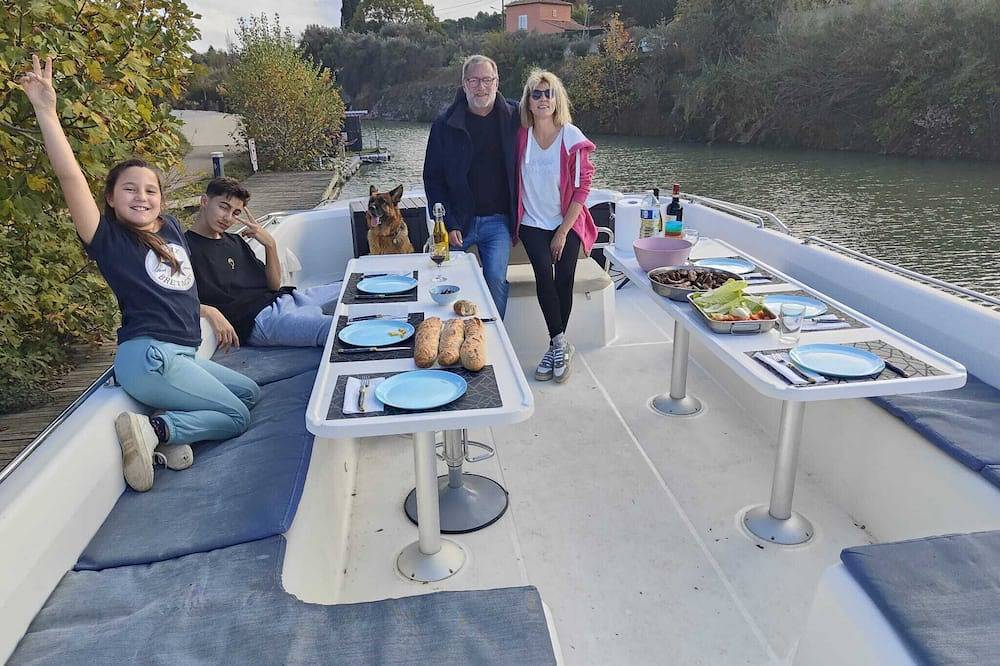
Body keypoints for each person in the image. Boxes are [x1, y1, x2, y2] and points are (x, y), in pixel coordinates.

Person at [19, 55, 260, 492]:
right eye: (129, 189)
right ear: (110, 199)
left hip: (182, 355)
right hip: (150, 357)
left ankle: (170, 434)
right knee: (236, 417)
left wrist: (207, 309)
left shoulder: (168, 228)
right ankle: (155, 433)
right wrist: (46, 111)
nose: (141, 196)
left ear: (162, 201)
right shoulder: (110, 240)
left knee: (249, 393)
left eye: (150, 190)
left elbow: (173, 291)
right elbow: (70, 177)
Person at [184, 177, 340, 349]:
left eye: (236, 213)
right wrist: (208, 311)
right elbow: (172, 299)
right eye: (223, 207)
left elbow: (273, 286)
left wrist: (270, 245)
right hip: (258, 321)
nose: (228, 218)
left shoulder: (235, 241)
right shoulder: (185, 249)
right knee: (335, 329)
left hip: (284, 299)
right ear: (205, 201)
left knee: (351, 287)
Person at [514, 69, 597, 383]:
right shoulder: (521, 137)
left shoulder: (571, 136)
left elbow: (582, 189)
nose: (543, 99)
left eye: (549, 93)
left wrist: (563, 231)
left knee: (564, 280)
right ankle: (560, 344)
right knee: (544, 279)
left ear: (557, 99)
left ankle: (554, 347)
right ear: (529, 101)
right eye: (537, 94)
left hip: (567, 221)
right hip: (532, 223)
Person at [423, 54, 520, 318]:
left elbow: (551, 125)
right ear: (464, 84)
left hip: (498, 222)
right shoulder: (444, 125)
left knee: (496, 282)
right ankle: (452, 337)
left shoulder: (515, 117)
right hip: (458, 223)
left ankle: (489, 336)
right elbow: (433, 178)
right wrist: (449, 222)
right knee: (446, 281)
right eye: (474, 80)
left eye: (487, 80)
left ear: (497, 82)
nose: (481, 87)